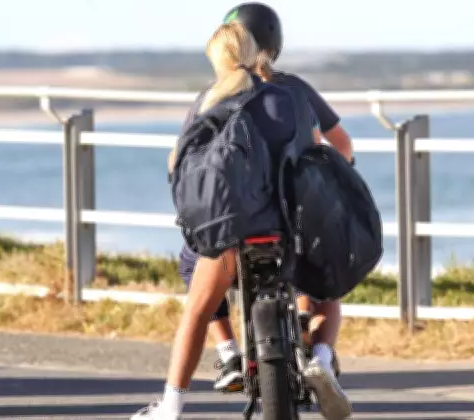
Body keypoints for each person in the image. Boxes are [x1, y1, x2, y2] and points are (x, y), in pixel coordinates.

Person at [130, 20, 352, 420]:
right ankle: (319, 353)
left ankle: (172, 405)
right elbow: (312, 156)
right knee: (326, 285)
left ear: (217, 61)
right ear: (259, 52)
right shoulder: (289, 99)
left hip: (229, 234)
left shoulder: (207, 101)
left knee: (198, 310)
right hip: (287, 230)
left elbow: (176, 164)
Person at [199, 1, 355, 397]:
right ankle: (319, 352)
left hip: (237, 219)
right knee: (322, 267)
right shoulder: (294, 90)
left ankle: (229, 350)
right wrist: (338, 175)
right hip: (295, 212)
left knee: (194, 263)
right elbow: (342, 145)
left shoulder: (216, 94)